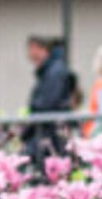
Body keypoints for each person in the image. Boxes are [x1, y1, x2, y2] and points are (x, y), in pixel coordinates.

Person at [22, 34, 76, 164]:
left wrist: (26, 132)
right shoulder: (50, 71)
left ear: (41, 49)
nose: (29, 54)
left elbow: (46, 104)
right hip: (48, 132)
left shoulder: (54, 72)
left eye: (31, 49)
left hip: (49, 134)